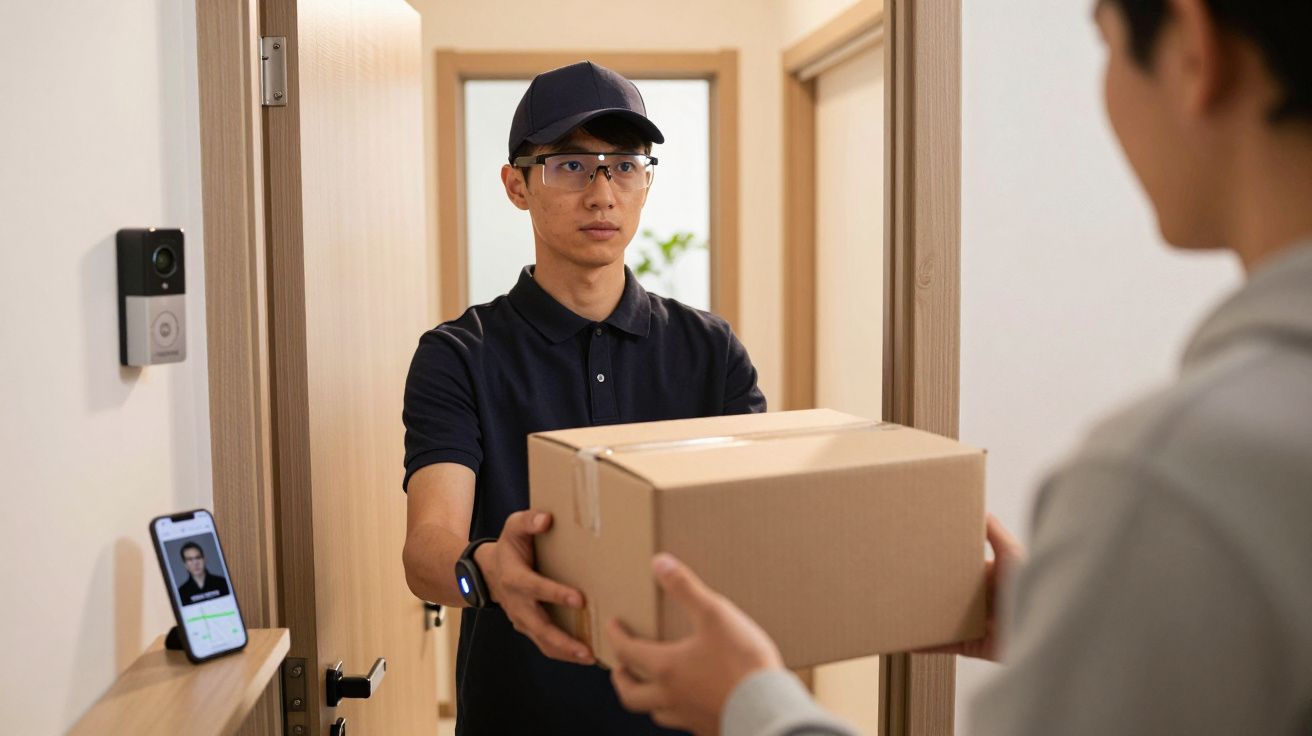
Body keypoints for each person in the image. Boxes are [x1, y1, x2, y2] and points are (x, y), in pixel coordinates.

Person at [604, 0, 1312, 734]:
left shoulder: (1169, 480)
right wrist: (1069, 632)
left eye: (1103, 43)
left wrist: (750, 703)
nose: (603, 190)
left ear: (1195, 50)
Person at [401, 60, 766, 734]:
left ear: (646, 182)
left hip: (683, 714)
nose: (603, 193)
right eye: (571, 164)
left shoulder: (710, 351)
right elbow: (427, 554)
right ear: (517, 185)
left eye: (624, 164)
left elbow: (752, 526)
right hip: (517, 715)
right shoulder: (459, 354)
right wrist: (482, 572)